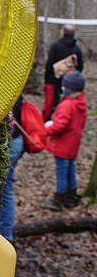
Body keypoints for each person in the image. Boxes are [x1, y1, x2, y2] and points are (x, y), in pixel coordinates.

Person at [42, 71, 87, 211]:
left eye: (64, 86)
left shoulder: (67, 105)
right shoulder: (81, 103)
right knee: (70, 170)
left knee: (62, 171)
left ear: (69, 88)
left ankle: (58, 200)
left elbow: (59, 126)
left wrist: (43, 131)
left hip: (62, 145)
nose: (62, 88)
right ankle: (70, 198)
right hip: (73, 145)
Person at [0, 95, 24, 240]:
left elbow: (9, 124)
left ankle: (1, 235)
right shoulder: (15, 87)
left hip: (10, 145)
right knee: (5, 189)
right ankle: (5, 234)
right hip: (16, 143)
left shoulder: (7, 89)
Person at [43, 25, 83, 120]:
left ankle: (47, 124)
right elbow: (80, 67)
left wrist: (47, 79)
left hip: (53, 81)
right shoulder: (77, 49)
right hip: (69, 84)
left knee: (51, 105)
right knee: (66, 106)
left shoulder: (55, 46)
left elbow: (49, 64)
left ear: (63, 33)